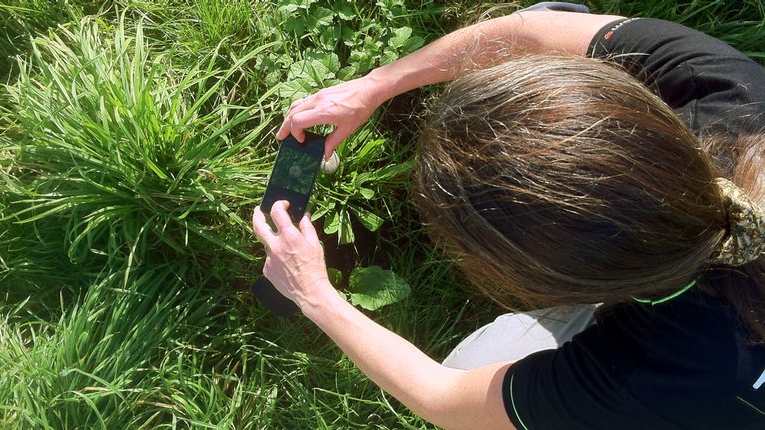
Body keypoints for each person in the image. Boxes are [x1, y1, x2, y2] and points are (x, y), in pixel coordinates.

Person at [252, 3, 765, 429]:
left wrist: (313, 295)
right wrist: (374, 85)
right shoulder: (738, 97)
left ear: (541, 283)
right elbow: (541, 31)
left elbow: (443, 396)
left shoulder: (645, 377)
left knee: (475, 365)